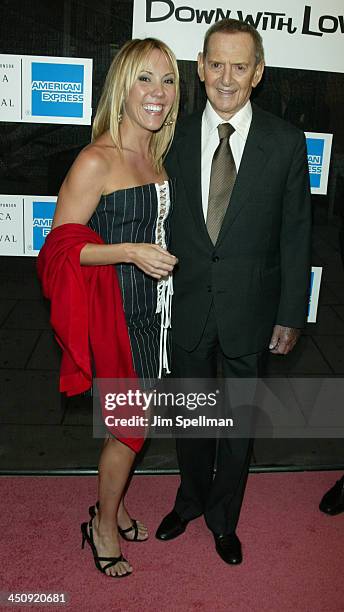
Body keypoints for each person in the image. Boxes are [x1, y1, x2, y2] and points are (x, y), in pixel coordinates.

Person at [156, 19, 312, 565]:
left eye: (239, 66)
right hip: (188, 307)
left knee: (239, 422)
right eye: (215, 64)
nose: (226, 78)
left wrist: (292, 314)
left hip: (254, 310)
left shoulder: (286, 143)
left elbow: (297, 236)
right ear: (199, 69)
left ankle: (225, 519)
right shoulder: (169, 135)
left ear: (259, 73)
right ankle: (191, 500)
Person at [38, 38, 179, 577]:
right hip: (118, 317)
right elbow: (57, 247)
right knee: (128, 426)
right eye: (145, 78)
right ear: (122, 87)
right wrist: (128, 252)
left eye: (167, 81)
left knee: (133, 424)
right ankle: (101, 523)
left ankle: (112, 507)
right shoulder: (98, 158)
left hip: (156, 315)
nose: (157, 92)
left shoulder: (154, 153)